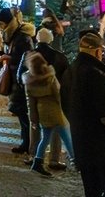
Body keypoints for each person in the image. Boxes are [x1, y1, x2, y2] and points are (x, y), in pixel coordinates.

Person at [68, 32, 105, 197]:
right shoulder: (96, 74)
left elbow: (65, 103)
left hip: (81, 138)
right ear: (96, 51)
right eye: (101, 51)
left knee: (91, 187)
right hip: (101, 142)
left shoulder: (71, 70)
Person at [24, 50, 71, 178]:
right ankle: (76, 161)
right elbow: (58, 95)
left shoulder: (29, 81)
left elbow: (31, 104)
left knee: (45, 139)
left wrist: (33, 120)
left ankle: (37, 161)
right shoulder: (50, 76)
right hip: (55, 111)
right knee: (66, 136)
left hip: (42, 114)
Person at [32, 29, 71, 170]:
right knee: (57, 129)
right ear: (50, 40)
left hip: (35, 96)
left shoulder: (29, 55)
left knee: (36, 127)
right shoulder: (59, 57)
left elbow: (20, 76)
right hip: (55, 97)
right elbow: (67, 78)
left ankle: (34, 156)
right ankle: (55, 159)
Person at [1, 14, 37, 157]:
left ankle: (28, 144)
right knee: (21, 114)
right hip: (16, 76)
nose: (1, 26)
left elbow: (25, 57)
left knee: (23, 113)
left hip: (21, 79)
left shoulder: (22, 37)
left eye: (2, 22)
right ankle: (25, 142)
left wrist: (8, 57)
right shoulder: (15, 35)